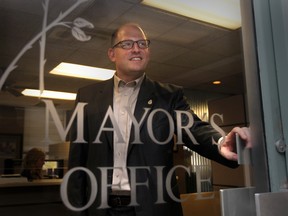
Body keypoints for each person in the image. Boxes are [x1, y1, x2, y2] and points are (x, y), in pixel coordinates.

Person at [67, 23, 251, 216]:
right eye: (127, 44)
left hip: (154, 208)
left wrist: (221, 142)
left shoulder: (168, 95)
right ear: (112, 54)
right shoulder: (87, 97)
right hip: (101, 209)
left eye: (142, 43)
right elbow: (77, 162)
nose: (136, 48)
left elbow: (193, 128)